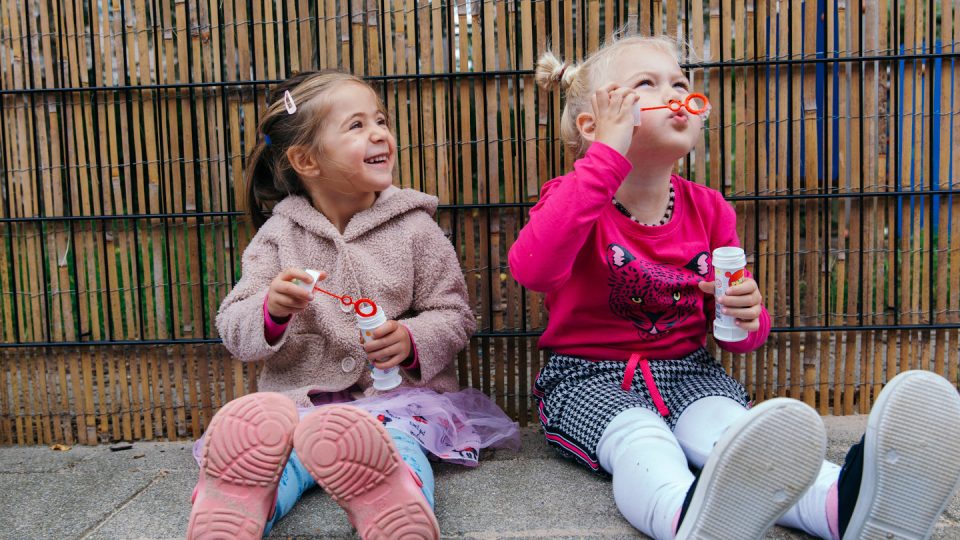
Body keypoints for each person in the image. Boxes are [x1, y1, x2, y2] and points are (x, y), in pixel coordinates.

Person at [508, 33, 960, 540]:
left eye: (681, 82)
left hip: (690, 372)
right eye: (647, 84)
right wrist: (606, 159)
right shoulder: (571, 197)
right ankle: (688, 517)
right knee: (643, 442)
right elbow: (533, 270)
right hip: (588, 379)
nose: (676, 93)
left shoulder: (709, 209)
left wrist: (747, 314)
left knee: (732, 434)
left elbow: (738, 337)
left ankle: (847, 506)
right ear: (595, 123)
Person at [187, 70, 520, 540]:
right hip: (300, 406)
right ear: (306, 160)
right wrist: (271, 309)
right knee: (280, 455)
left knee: (398, 447)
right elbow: (233, 325)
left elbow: (454, 314)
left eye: (380, 119)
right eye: (357, 125)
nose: (380, 132)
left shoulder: (414, 228)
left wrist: (410, 340)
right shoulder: (278, 238)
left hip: (397, 401)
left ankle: (391, 504)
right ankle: (238, 506)